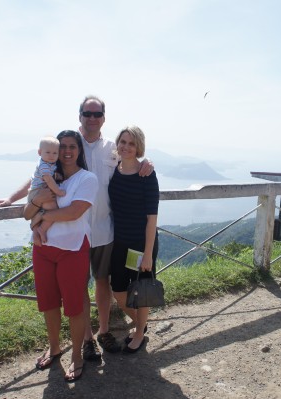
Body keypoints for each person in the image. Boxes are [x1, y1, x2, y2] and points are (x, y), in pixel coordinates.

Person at [0, 95, 154, 359]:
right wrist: (11, 198)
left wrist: (146, 163)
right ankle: (86, 338)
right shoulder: (68, 145)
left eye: (97, 114)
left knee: (102, 283)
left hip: (104, 228)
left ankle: (104, 330)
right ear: (79, 116)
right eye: (87, 113)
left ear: (103, 118)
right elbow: (39, 175)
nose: (92, 118)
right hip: (73, 231)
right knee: (78, 287)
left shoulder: (113, 147)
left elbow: (131, 159)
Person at [23, 130, 98, 381]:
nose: (66, 151)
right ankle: (55, 347)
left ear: (79, 150)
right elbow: (25, 213)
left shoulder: (87, 179)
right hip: (43, 249)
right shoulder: (44, 177)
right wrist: (37, 203)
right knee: (49, 302)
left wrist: (41, 215)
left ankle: (76, 355)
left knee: (75, 305)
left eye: (72, 147)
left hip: (73, 249)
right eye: (62, 146)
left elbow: (74, 212)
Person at [108, 125, 159, 353]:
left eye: (131, 143)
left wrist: (148, 253)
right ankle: (142, 323)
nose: (126, 147)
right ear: (117, 144)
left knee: (141, 290)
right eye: (123, 142)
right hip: (119, 241)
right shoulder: (114, 169)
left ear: (138, 146)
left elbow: (151, 218)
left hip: (141, 243)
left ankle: (139, 332)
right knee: (118, 290)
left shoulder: (146, 174)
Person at [28, 136, 66, 246]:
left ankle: (36, 227)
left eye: (55, 153)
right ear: (40, 152)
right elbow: (48, 180)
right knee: (54, 211)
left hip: (37, 191)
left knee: (44, 211)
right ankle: (42, 229)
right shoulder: (43, 165)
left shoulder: (49, 164)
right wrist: (59, 191)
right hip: (37, 192)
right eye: (48, 152)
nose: (51, 156)